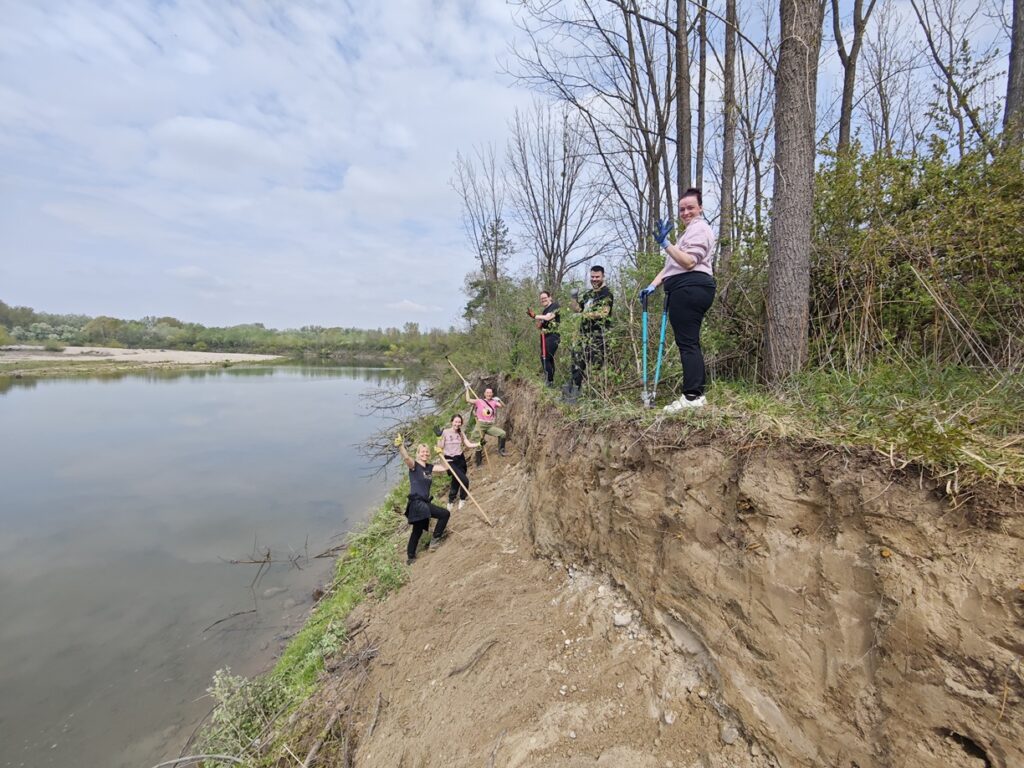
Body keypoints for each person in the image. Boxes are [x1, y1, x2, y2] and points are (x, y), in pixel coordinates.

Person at [640, 187, 716, 411]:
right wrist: (653, 285)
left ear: (700, 208)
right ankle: (697, 395)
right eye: (682, 209)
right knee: (689, 341)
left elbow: (689, 262)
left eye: (690, 207)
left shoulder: (700, 228)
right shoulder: (688, 233)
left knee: (687, 343)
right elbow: (672, 266)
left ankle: (692, 396)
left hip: (690, 288)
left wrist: (666, 244)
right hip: (686, 288)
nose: (685, 212)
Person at [395, 434, 450, 565]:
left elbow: (445, 468)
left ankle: (416, 553)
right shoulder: (414, 466)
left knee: (420, 528)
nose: (425, 454)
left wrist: (441, 453)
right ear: (418, 454)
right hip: (416, 503)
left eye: (427, 452)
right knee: (441, 516)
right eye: (422, 452)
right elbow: (406, 458)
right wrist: (401, 446)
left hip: (424, 502)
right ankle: (420, 551)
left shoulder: (429, 467)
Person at [564, 265, 614, 402]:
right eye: (592, 277)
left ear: (603, 276)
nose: (594, 279)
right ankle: (574, 396)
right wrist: (573, 297)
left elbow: (603, 313)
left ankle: (596, 399)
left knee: (596, 367)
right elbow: (577, 310)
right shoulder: (588, 295)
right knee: (576, 364)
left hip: (598, 336)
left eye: (597, 277)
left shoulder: (606, 293)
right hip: (583, 335)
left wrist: (585, 315)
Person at [436, 414, 478, 511]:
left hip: (460, 459)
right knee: (465, 480)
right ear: (452, 422)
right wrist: (438, 437)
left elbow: (468, 444)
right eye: (456, 422)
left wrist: (479, 444)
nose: (457, 424)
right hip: (450, 460)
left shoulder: (461, 433)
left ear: (461, 423)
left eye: (459, 422)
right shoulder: (445, 432)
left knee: (456, 480)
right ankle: (462, 498)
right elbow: (440, 447)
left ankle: (451, 500)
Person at [465, 385, 506, 464]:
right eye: (487, 392)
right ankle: (478, 463)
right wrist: (467, 389)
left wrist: (499, 400)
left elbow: (503, 406)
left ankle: (501, 451)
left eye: (490, 393)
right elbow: (468, 400)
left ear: (492, 394)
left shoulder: (494, 402)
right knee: (479, 444)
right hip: (481, 425)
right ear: (484, 394)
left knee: (502, 434)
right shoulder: (479, 401)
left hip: (490, 425)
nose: (489, 394)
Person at [529, 290, 561, 386]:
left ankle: (549, 381)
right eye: (541, 299)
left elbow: (548, 317)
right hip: (545, 336)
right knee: (548, 358)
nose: (543, 300)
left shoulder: (555, 306)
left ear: (550, 297)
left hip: (553, 335)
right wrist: (540, 324)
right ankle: (550, 380)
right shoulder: (544, 311)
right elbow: (542, 323)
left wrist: (535, 316)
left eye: (545, 298)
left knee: (545, 357)